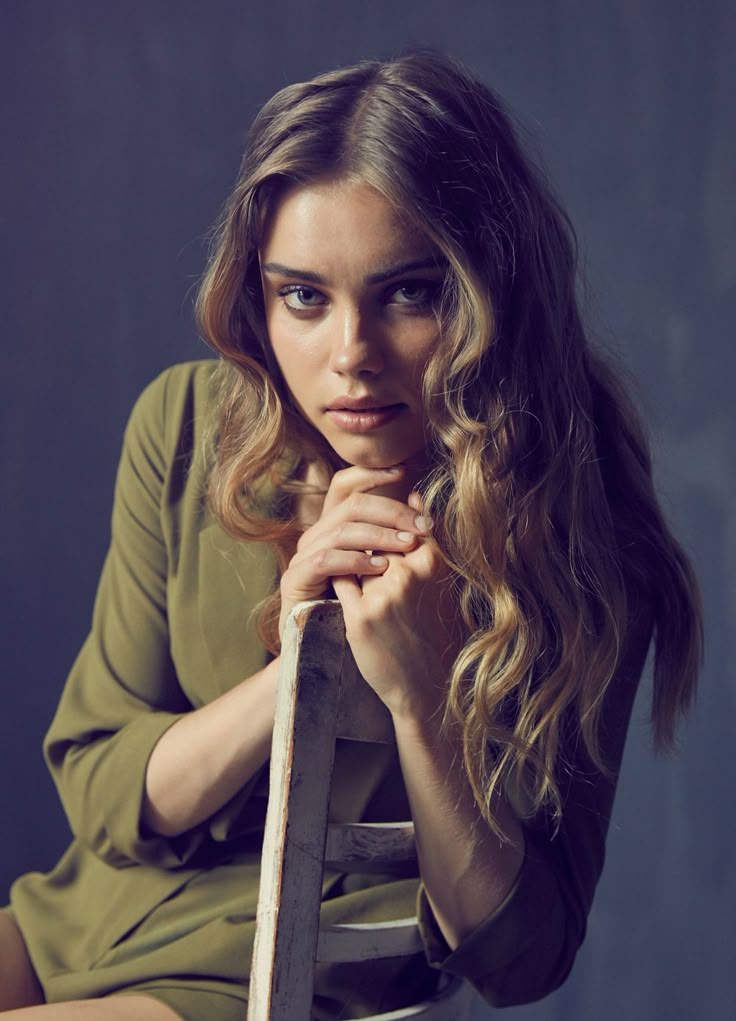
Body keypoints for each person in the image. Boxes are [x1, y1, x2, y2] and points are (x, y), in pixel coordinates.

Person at [1, 51, 702, 1020]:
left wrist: (419, 696)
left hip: (265, 978)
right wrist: (294, 667)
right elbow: (102, 789)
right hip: (77, 916)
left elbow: (523, 955)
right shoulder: (184, 427)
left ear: (489, 289)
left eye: (407, 293)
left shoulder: (582, 533)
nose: (350, 357)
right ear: (259, 291)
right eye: (303, 296)